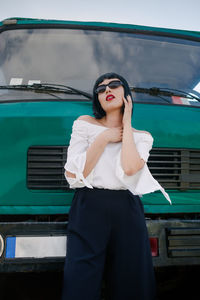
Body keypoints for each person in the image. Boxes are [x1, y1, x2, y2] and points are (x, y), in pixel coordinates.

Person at [61, 72, 172, 300]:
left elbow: (130, 167)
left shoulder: (142, 137)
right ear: (98, 99)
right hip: (88, 205)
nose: (107, 90)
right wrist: (103, 139)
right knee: (79, 283)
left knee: (131, 284)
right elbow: (72, 175)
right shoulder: (84, 124)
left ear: (127, 95)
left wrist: (127, 122)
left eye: (114, 85)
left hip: (127, 209)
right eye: (101, 89)